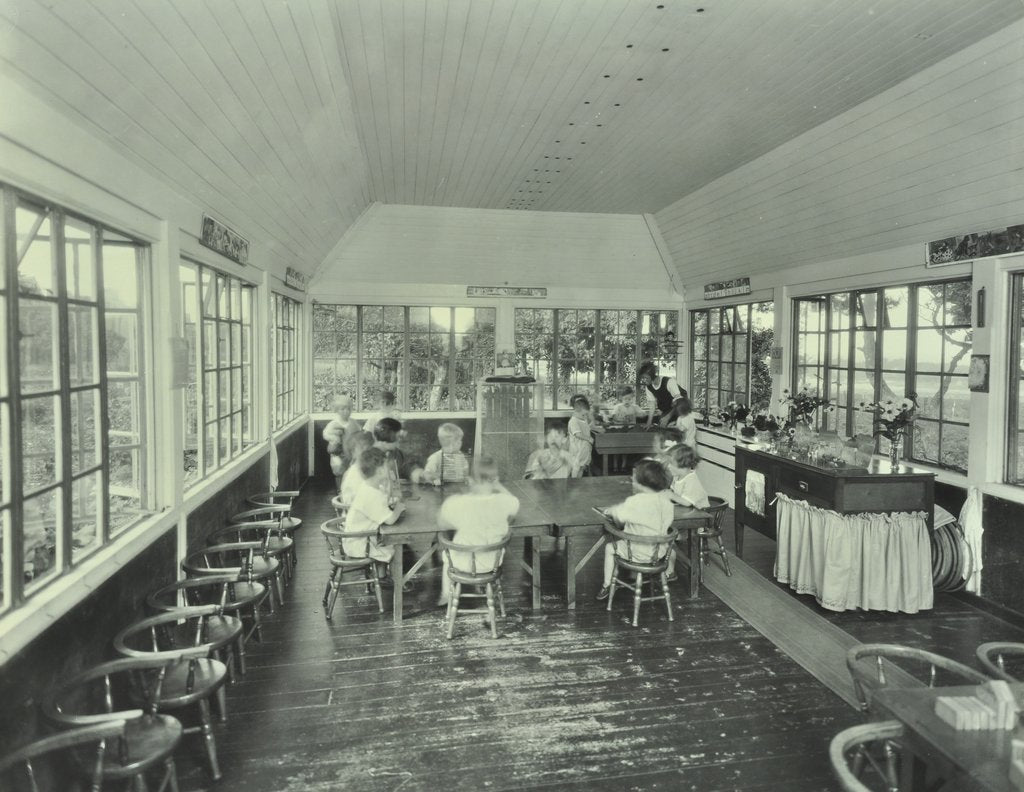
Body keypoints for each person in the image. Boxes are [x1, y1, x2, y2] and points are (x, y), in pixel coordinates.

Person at [436, 457, 520, 607]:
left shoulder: (456, 502)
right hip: (490, 563)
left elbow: (442, 523)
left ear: (469, 480)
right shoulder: (503, 501)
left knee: (448, 554)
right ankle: (486, 592)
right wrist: (498, 485)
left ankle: (445, 595)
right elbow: (515, 502)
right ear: (494, 479)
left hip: (461, 563)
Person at [596, 458, 676, 600]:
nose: (632, 481)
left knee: (610, 548)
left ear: (641, 483)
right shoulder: (667, 502)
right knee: (671, 548)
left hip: (636, 552)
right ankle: (669, 572)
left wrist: (613, 510)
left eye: (634, 479)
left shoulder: (634, 501)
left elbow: (618, 518)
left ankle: (606, 584)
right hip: (659, 553)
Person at [343, 447, 405, 585]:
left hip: (358, 537)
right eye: (385, 466)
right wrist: (399, 509)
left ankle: (382, 577)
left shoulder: (368, 488)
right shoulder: (371, 494)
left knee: (387, 541)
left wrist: (389, 504)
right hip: (359, 544)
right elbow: (390, 520)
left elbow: (379, 507)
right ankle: (396, 581)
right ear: (380, 471)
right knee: (394, 544)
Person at [638, 362, 687, 428]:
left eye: (645, 377)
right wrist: (648, 423)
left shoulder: (669, 382)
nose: (643, 380)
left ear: (651, 375)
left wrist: (667, 417)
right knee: (661, 424)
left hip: (681, 408)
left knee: (674, 426)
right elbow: (652, 406)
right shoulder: (648, 387)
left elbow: (679, 402)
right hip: (667, 410)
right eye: (642, 378)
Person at [660, 443, 710, 509]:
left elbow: (687, 503)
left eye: (671, 463)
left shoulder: (691, 480)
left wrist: (671, 495)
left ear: (683, 464)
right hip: (687, 510)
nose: (668, 466)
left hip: (700, 513)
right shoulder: (677, 476)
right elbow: (673, 492)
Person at [323, 394, 363, 477]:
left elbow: (360, 433)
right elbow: (325, 434)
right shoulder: (334, 423)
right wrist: (333, 438)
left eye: (348, 409)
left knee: (352, 472)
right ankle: (339, 489)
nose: (346, 411)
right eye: (343, 409)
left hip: (352, 453)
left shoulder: (353, 422)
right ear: (336, 410)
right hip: (338, 453)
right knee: (339, 471)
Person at [567, 395, 603, 477]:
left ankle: (578, 482)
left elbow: (587, 427)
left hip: (584, 449)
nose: (585, 417)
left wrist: (597, 428)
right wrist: (589, 438)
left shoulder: (582, 419)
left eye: (586, 415)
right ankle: (574, 481)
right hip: (577, 449)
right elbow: (578, 434)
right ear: (576, 411)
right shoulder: (573, 421)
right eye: (583, 415)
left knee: (582, 467)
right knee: (576, 467)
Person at [339, 431, 375, 505]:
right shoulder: (354, 474)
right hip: (356, 512)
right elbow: (352, 502)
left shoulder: (367, 469)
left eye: (369, 449)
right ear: (353, 453)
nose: (367, 453)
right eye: (362, 448)